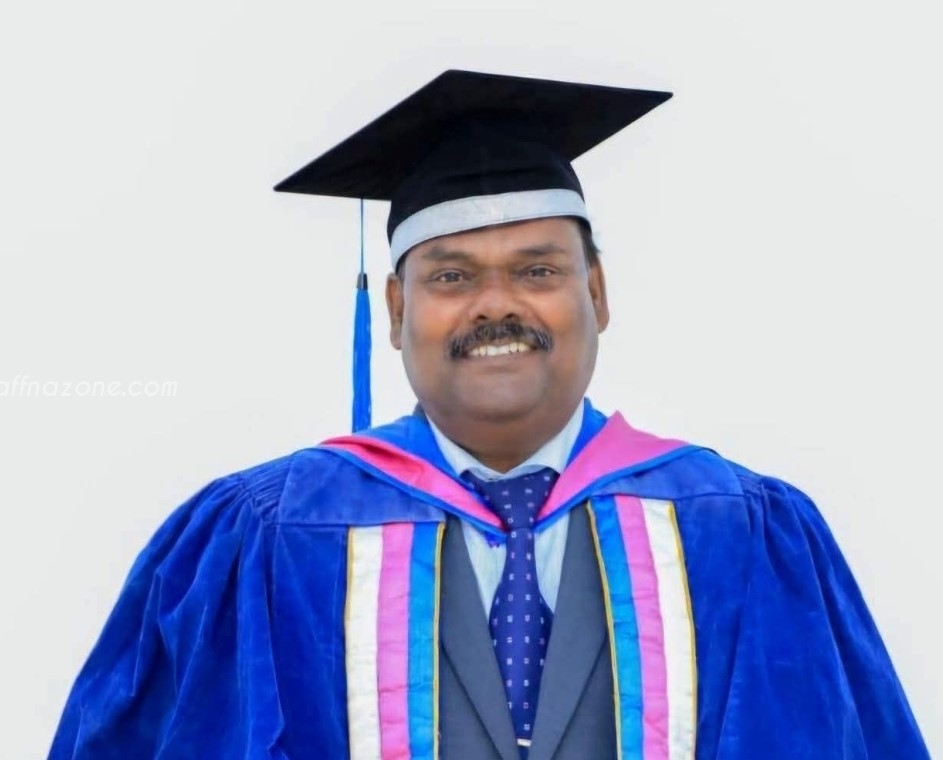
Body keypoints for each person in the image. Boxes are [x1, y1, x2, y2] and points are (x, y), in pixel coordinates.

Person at [48, 70, 929, 760]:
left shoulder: (740, 529)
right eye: (451, 276)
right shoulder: (267, 535)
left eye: (538, 271)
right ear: (396, 310)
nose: (496, 304)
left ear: (596, 293)